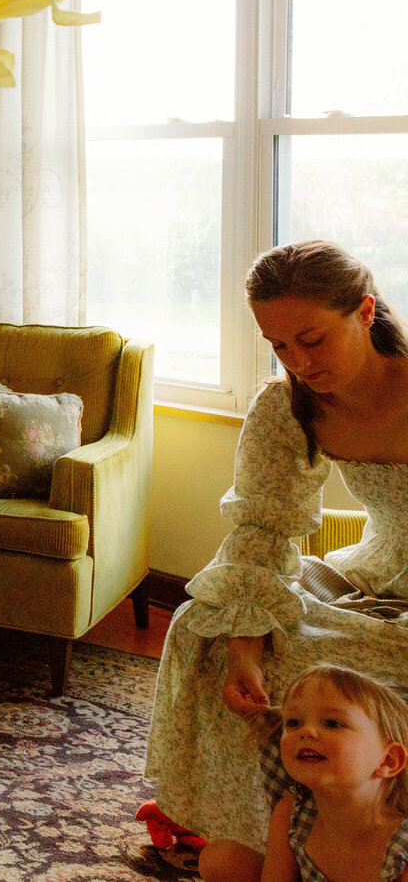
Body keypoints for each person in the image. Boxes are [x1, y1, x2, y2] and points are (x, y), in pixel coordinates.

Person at [145, 240, 408, 881]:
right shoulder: (284, 404)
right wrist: (245, 648)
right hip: (380, 567)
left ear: (366, 312)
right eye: (280, 345)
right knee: (201, 629)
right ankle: (265, 824)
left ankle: (378, 831)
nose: (299, 361)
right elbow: (263, 529)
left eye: (312, 339)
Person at [244, 664, 408, 882]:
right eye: (294, 722)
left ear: (388, 760)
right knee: (218, 859)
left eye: (332, 723)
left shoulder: (401, 847)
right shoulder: (291, 813)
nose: (307, 731)